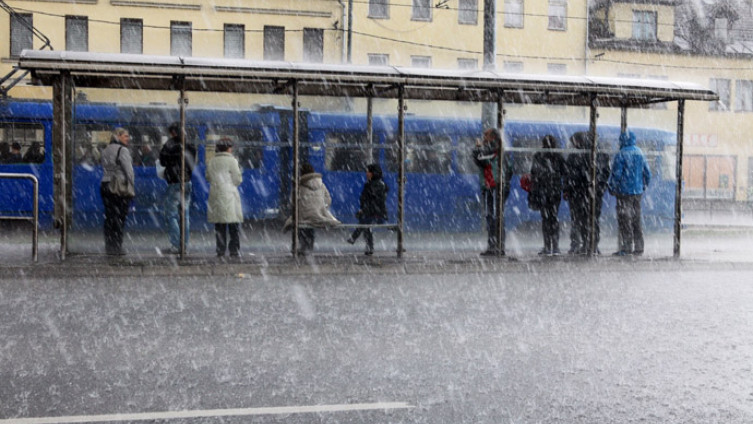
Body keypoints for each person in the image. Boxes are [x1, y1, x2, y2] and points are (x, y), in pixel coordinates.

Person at [564, 132, 610, 255]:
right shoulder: (602, 154)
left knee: (579, 220)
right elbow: (605, 174)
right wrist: (599, 189)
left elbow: (570, 175)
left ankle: (581, 244)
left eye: (574, 142)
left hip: (578, 194)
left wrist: (569, 189)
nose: (573, 145)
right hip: (593, 194)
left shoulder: (576, 156)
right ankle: (592, 245)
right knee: (593, 220)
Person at [608, 130, 652, 256]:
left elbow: (617, 174)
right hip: (637, 192)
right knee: (636, 219)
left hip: (624, 192)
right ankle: (639, 247)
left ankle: (626, 247)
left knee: (624, 219)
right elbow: (647, 173)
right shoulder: (640, 153)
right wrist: (642, 186)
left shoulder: (621, 154)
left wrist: (612, 187)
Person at [283, 163, 341, 255]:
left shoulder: (299, 186)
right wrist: (321, 208)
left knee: (297, 222)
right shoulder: (321, 184)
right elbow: (328, 199)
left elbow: (292, 201)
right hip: (318, 216)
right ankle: (309, 247)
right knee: (311, 222)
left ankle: (301, 247)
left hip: (303, 216)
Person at [473, 128, 512, 256]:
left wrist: (478, 148)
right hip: (491, 186)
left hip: (495, 186)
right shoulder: (494, 148)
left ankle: (498, 246)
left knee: (495, 216)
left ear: (493, 137)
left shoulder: (494, 148)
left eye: (486, 135)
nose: (484, 137)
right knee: (491, 216)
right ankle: (493, 245)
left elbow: (482, 159)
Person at [159, 122, 197, 254]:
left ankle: (176, 245)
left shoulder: (170, 145)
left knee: (171, 215)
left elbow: (162, 161)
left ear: (173, 132)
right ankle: (184, 245)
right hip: (187, 182)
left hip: (174, 182)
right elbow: (192, 166)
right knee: (184, 215)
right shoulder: (191, 146)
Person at [529, 135, 566, 256]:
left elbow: (534, 173)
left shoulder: (538, 156)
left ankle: (547, 246)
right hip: (555, 192)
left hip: (543, 191)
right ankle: (555, 247)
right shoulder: (558, 156)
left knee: (545, 219)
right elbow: (564, 173)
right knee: (554, 218)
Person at [100, 128, 135, 255]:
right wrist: (131, 186)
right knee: (120, 217)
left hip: (105, 184)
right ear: (118, 136)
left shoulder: (106, 149)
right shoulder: (122, 150)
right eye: (126, 136)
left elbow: (104, 166)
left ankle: (109, 245)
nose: (128, 138)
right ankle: (117, 246)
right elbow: (129, 172)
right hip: (118, 186)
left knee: (110, 217)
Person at [206, 139, 243, 258]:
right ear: (228, 148)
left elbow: (208, 177)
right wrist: (229, 184)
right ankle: (234, 250)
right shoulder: (232, 161)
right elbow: (238, 179)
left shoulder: (212, 161)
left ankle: (220, 250)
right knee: (233, 225)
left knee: (219, 226)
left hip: (216, 193)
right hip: (229, 195)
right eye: (230, 147)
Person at [347, 163, 389, 255]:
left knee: (365, 222)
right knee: (366, 223)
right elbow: (367, 201)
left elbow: (375, 202)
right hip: (371, 212)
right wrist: (363, 210)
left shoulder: (377, 185)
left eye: (368, 172)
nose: (367, 173)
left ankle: (355, 237)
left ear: (373, 173)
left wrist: (363, 210)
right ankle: (368, 246)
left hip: (377, 213)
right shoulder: (370, 183)